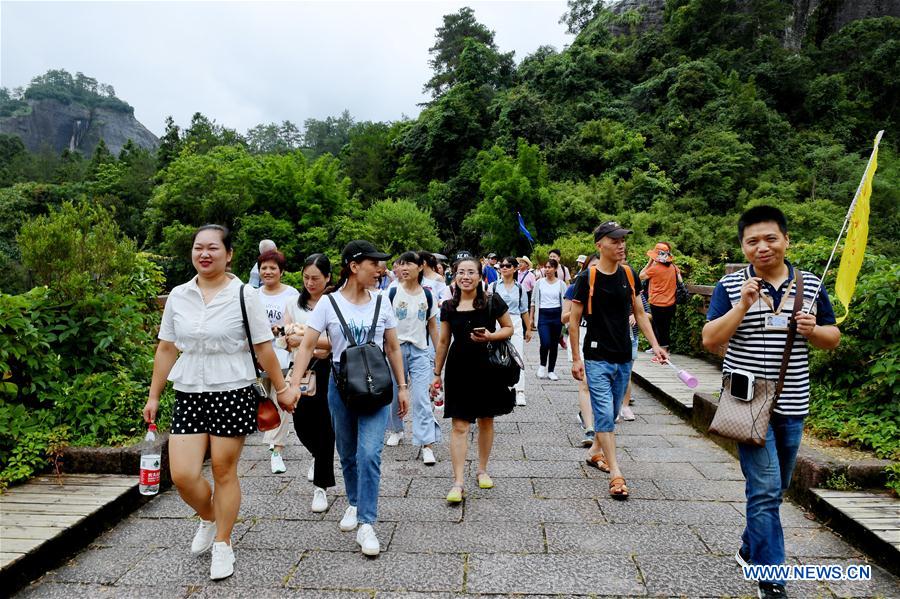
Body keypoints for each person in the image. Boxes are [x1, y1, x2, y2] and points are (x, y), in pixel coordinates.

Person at [142, 224, 299, 581]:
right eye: (198, 248)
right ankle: (211, 517)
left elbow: (262, 347)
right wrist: (154, 395)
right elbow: (166, 347)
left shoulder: (245, 295)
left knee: (225, 471)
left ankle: (224, 544)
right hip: (189, 391)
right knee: (182, 475)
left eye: (213, 248)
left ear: (228, 254)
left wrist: (283, 387)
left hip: (232, 388)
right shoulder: (179, 295)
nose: (204, 254)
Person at [702, 206, 840, 599]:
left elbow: (833, 338)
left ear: (786, 240)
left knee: (774, 490)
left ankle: (750, 547)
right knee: (764, 489)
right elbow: (710, 340)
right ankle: (771, 578)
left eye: (770, 238)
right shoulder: (730, 286)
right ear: (743, 246)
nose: (762, 247)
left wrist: (815, 331)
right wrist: (742, 306)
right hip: (745, 403)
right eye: (753, 241)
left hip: (792, 403)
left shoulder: (811, 284)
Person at [288, 240, 409, 557]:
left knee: (370, 453)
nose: (381, 269)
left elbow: (393, 347)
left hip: (377, 385)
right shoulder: (328, 304)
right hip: (340, 385)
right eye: (375, 263)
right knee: (348, 453)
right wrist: (294, 382)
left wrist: (404, 386)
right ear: (355, 267)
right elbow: (306, 345)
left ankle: (367, 524)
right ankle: (354, 502)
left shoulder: (383, 301)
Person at [569, 221, 667, 500]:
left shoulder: (629, 274)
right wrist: (576, 359)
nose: (621, 245)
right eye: (614, 240)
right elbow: (574, 322)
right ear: (600, 245)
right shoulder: (586, 278)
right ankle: (616, 474)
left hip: (624, 354)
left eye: (623, 240)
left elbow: (639, 310)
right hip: (597, 356)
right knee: (603, 412)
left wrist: (656, 345)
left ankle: (594, 453)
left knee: (611, 413)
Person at [431, 257, 515, 503]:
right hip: (459, 367)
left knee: (486, 420)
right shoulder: (448, 306)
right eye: (460, 272)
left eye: (470, 272)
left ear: (480, 276)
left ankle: (482, 469)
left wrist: (491, 336)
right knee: (459, 425)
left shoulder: (491, 301)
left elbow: (509, 328)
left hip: (487, 367)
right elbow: (444, 341)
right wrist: (436, 373)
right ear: (454, 276)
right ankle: (458, 482)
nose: (465, 276)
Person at [282, 253, 336, 513]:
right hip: (301, 371)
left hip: (330, 371)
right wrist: (303, 342)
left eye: (316, 278)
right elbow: (287, 338)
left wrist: (305, 340)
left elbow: (335, 341)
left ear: (328, 277)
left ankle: (320, 487)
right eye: (306, 278)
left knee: (325, 427)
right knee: (301, 422)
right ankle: (319, 456)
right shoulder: (294, 304)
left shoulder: (335, 303)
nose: (310, 283)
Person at [384, 252, 441, 461]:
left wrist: (440, 356)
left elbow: (433, 328)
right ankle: (396, 430)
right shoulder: (391, 292)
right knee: (393, 392)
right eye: (401, 264)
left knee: (422, 397)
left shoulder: (428, 295)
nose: (404, 267)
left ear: (420, 267)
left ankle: (426, 443)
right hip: (394, 350)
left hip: (420, 350)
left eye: (409, 264)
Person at [256, 249, 300, 473]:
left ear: (281, 271)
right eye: (264, 268)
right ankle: (273, 439)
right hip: (258, 358)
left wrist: (282, 330)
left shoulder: (291, 295)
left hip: (283, 356)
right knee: (264, 402)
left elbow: (295, 324)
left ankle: (276, 450)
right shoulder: (253, 295)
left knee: (281, 401)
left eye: (273, 268)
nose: (268, 271)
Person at [563, 253, 599, 446]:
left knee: (599, 385)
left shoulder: (609, 288)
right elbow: (564, 318)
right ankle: (590, 428)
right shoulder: (574, 288)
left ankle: (588, 415)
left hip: (603, 340)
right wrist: (581, 309)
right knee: (585, 382)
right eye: (592, 266)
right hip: (581, 337)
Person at [490, 256, 533, 406]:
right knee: (494, 355)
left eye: (508, 266)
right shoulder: (493, 286)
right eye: (502, 265)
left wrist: (529, 328)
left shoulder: (520, 288)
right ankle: (496, 388)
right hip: (496, 322)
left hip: (515, 321)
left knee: (517, 357)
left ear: (515, 268)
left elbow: (524, 310)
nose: (504, 268)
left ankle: (520, 391)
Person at [616, 253, 645, 423]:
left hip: (630, 337)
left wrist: (634, 314)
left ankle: (625, 406)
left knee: (626, 373)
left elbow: (645, 314)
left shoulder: (633, 283)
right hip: (609, 339)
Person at [639, 242, 683, 350]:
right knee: (665, 327)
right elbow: (680, 280)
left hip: (657, 302)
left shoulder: (654, 268)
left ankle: (663, 352)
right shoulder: (673, 267)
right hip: (671, 302)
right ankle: (660, 349)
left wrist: (650, 262)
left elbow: (640, 276)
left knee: (658, 327)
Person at [530, 258, 566, 381]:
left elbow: (566, 302)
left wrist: (565, 318)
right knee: (545, 342)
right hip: (543, 315)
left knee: (554, 344)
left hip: (557, 315)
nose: (547, 269)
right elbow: (533, 301)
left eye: (550, 267)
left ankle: (551, 370)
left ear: (555, 269)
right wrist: (531, 318)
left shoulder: (561, 284)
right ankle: (542, 365)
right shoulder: (539, 283)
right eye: (546, 267)